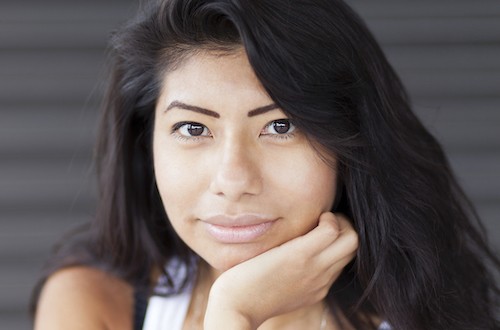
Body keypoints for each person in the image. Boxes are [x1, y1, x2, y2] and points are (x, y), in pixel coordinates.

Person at [31, 0, 499, 329]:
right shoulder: (93, 304)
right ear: (144, 144)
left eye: (280, 127)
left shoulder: (430, 313)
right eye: (194, 129)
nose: (233, 180)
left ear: (350, 141)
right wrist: (234, 315)